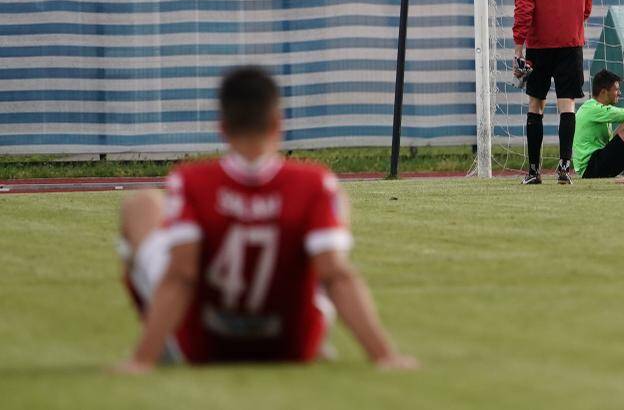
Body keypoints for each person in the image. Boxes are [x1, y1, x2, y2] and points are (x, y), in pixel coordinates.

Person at [114, 67, 416, 373]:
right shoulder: (314, 183)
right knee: (332, 213)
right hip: (292, 344)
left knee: (143, 205)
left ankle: (160, 341)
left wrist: (141, 361)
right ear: (276, 123)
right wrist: (384, 355)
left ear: (222, 127)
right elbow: (336, 275)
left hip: (205, 345)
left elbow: (181, 275)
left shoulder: (190, 181)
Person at [513, 0, 593, 185]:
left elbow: (524, 8)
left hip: (539, 45)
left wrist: (518, 49)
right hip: (571, 44)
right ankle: (563, 167)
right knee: (567, 105)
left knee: (536, 104)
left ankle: (534, 171)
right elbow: (586, 9)